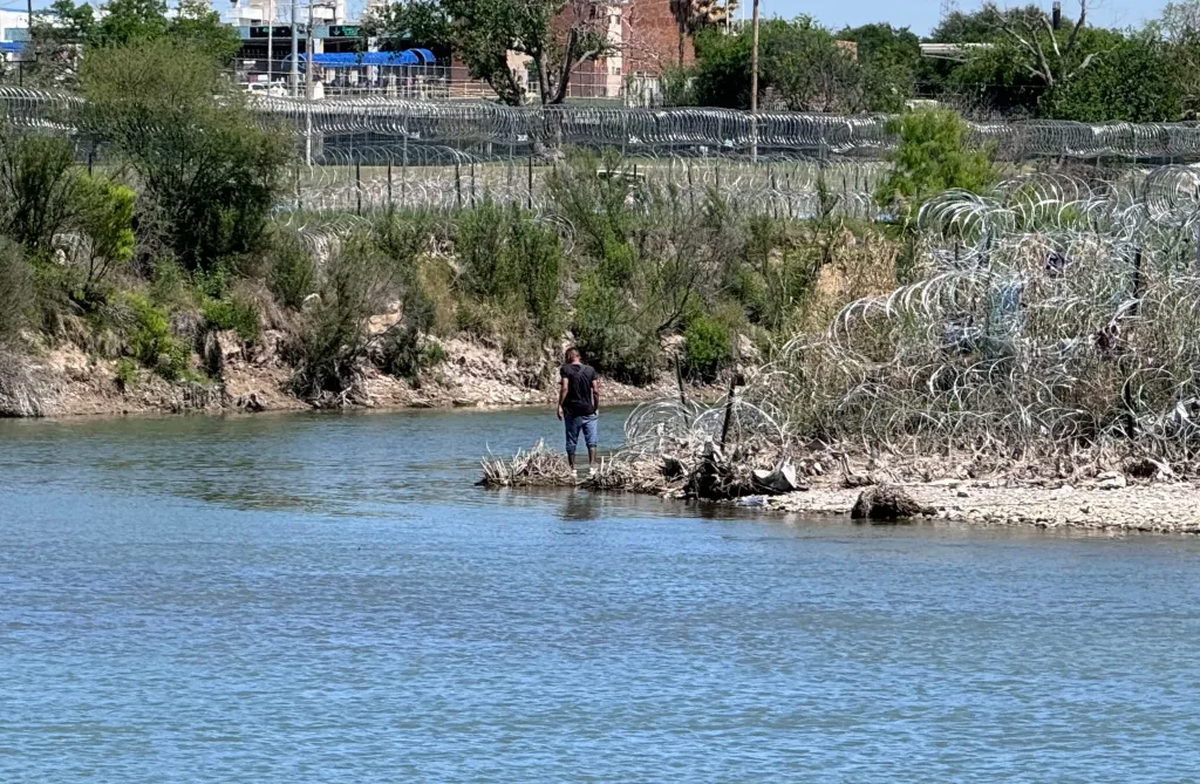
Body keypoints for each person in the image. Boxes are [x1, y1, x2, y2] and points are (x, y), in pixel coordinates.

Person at [557, 347, 599, 470]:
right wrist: (595, 407)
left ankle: (572, 469)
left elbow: (565, 388)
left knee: (571, 441)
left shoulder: (565, 369)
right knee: (591, 441)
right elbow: (596, 391)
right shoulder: (590, 370)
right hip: (588, 410)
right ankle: (592, 466)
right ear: (579, 356)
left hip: (572, 410)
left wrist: (560, 405)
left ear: (569, 356)